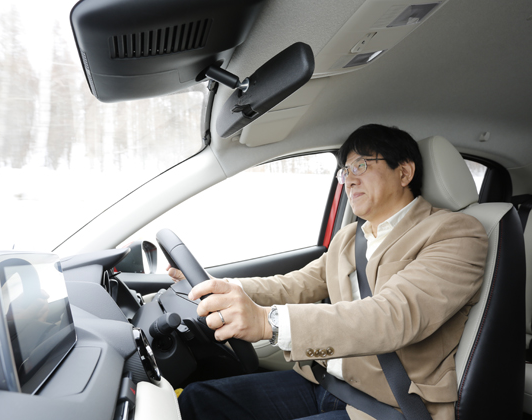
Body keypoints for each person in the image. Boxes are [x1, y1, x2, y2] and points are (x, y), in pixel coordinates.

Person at [169, 124, 488, 420]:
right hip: (324, 380)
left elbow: (394, 315)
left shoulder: (455, 233)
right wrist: (220, 286)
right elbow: (294, 285)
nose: (349, 179)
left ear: (403, 172)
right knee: (197, 400)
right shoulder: (349, 238)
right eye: (345, 171)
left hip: (390, 404)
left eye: (361, 166)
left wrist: (269, 322)